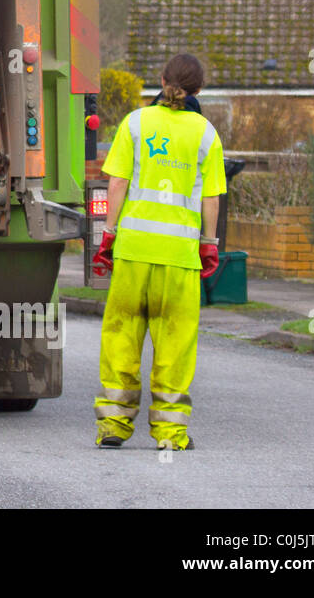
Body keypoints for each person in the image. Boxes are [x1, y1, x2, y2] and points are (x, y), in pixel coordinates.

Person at [91, 53, 226, 451]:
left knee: (121, 336)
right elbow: (212, 198)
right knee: (175, 342)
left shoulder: (134, 123)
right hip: (179, 260)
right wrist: (209, 244)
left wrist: (109, 235)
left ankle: (113, 426)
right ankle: (170, 435)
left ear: (162, 80)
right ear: (198, 90)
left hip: (133, 253)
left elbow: (116, 185)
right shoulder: (205, 134)